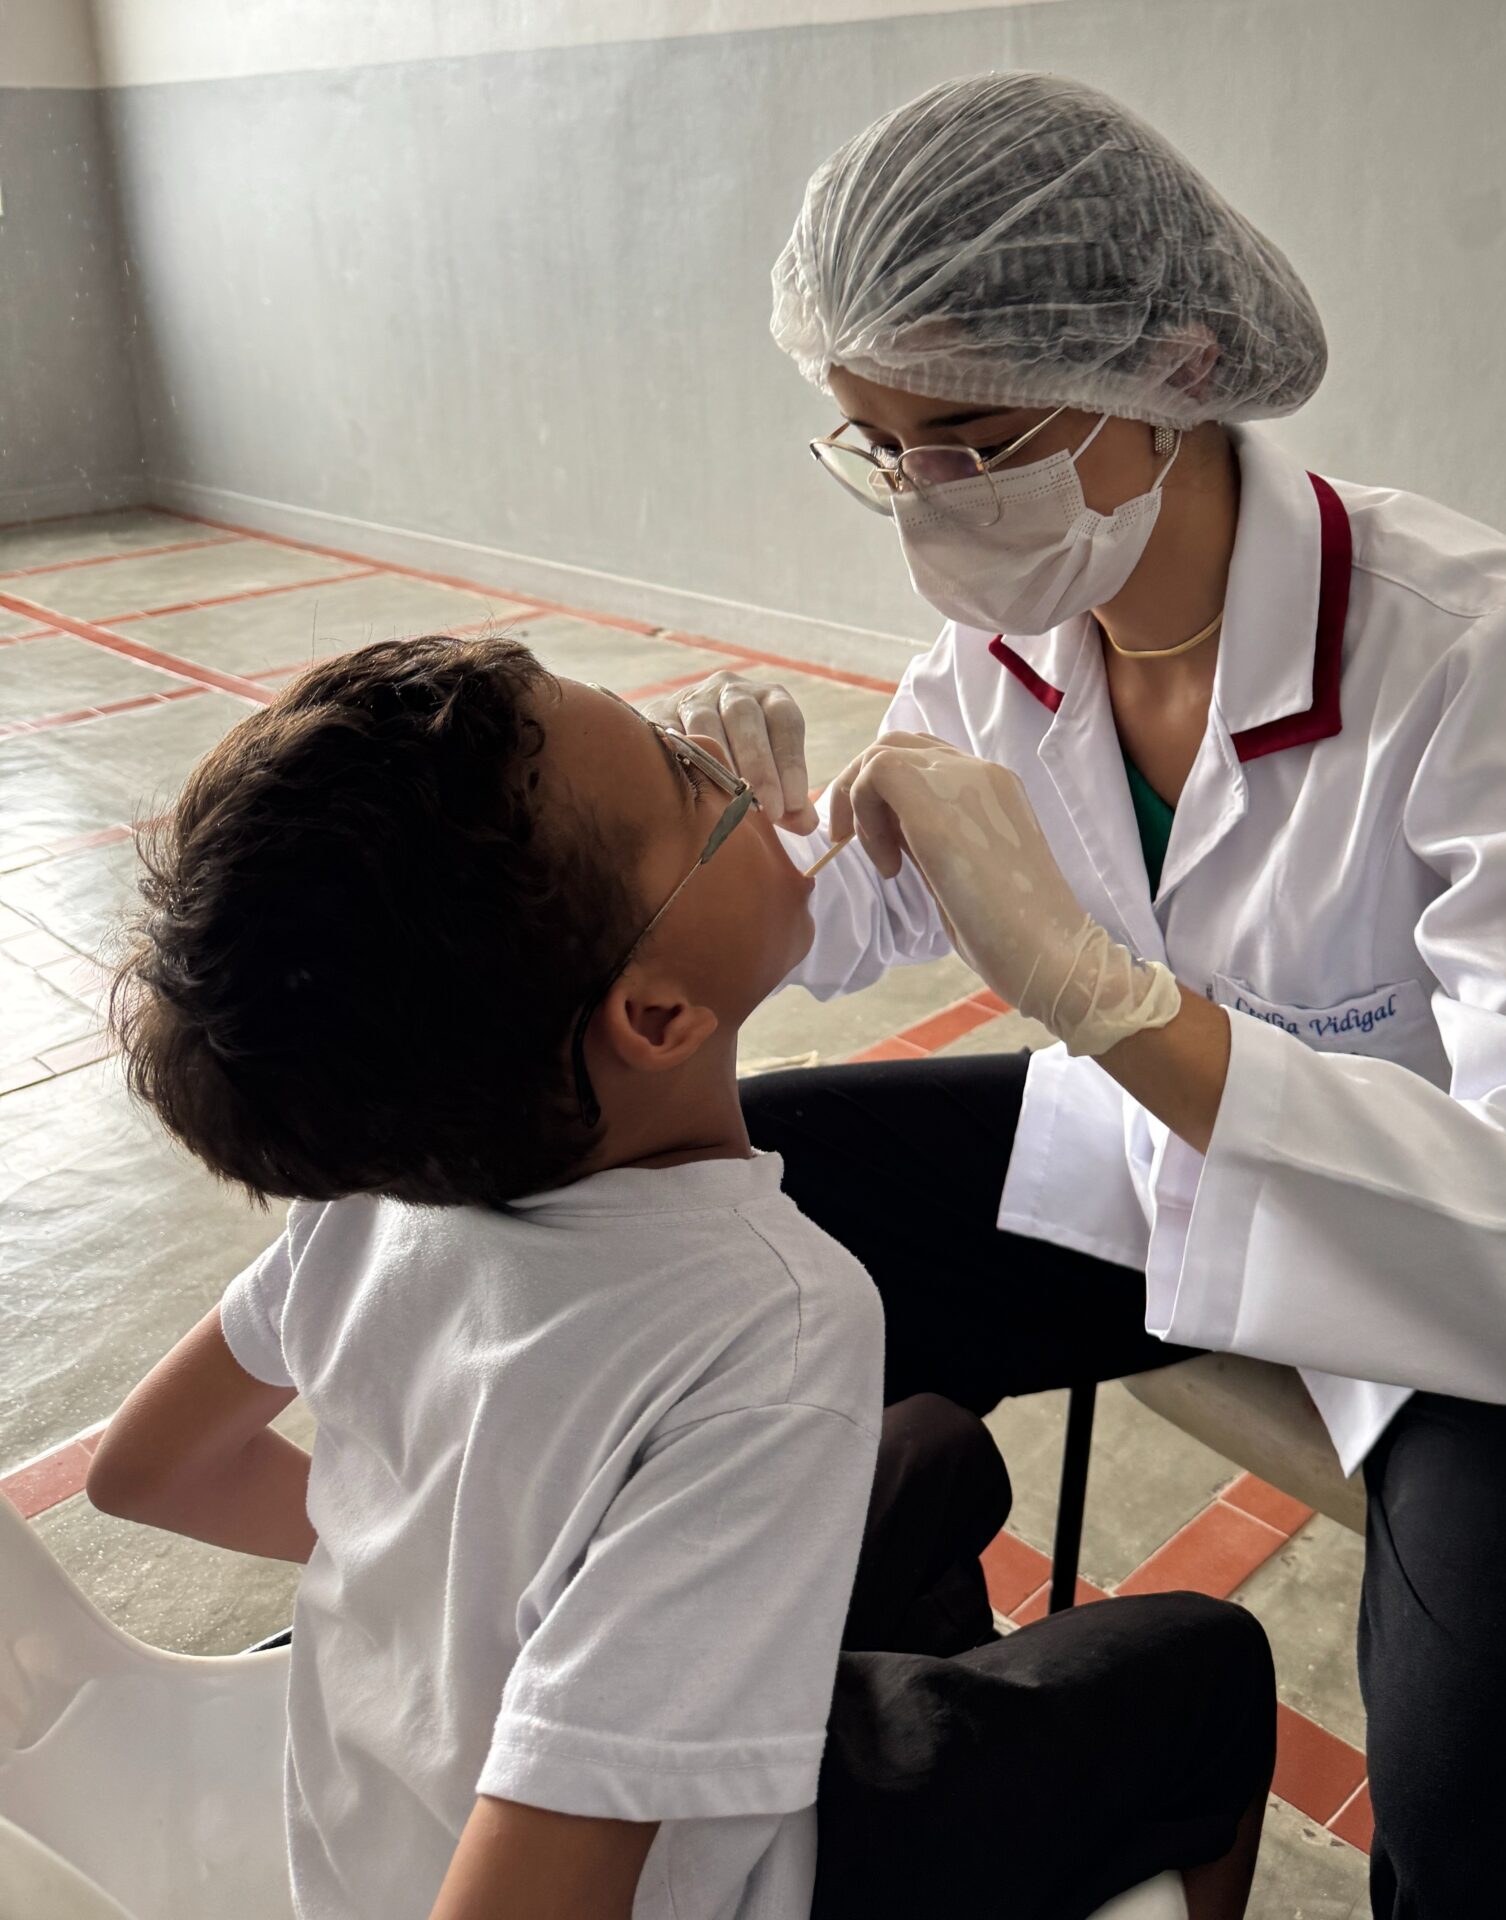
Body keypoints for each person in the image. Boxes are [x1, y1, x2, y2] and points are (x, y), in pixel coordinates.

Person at [674, 70, 1506, 1919]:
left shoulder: (1480, 650)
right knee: (726, 1202)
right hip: (1181, 1171)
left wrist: (1106, 998)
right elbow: (861, 900)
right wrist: (728, 850)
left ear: (1174, 369)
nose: (924, 507)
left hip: (1504, 1276)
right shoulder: (1014, 638)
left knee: (1498, 1846)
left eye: (970, 440)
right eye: (877, 449)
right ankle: (857, 1712)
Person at [88, 634, 1276, 1920]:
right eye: (682, 773)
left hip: (371, 1835)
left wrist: (439, 1583)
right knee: (1205, 1665)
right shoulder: (777, 1318)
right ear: (656, 1017)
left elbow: (145, 1469)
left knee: (935, 1450)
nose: (730, 763)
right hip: (714, 1888)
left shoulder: (376, 1192)